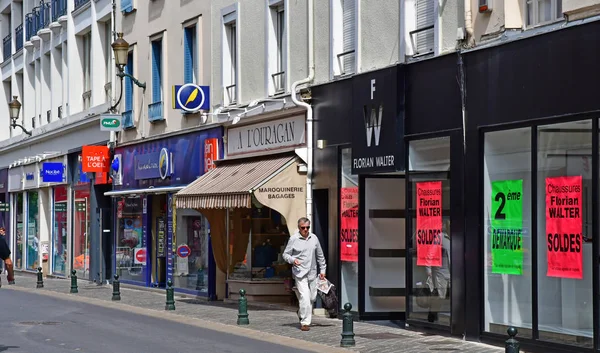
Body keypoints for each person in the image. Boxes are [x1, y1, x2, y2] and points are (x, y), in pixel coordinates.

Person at [283, 217, 327, 332]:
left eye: (308, 227)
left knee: (312, 297)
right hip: (300, 273)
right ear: (299, 228)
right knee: (305, 297)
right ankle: (305, 322)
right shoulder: (293, 239)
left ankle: (301, 312)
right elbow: (285, 255)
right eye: (303, 228)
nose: (306, 230)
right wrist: (293, 260)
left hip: (312, 272)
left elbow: (320, 256)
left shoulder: (314, 238)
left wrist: (323, 271)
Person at [426, 220, 451, 323]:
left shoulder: (456, 237)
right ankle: (432, 314)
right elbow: (430, 254)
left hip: (453, 272)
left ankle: (453, 320)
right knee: (440, 296)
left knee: (454, 296)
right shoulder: (440, 237)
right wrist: (428, 270)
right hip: (440, 272)